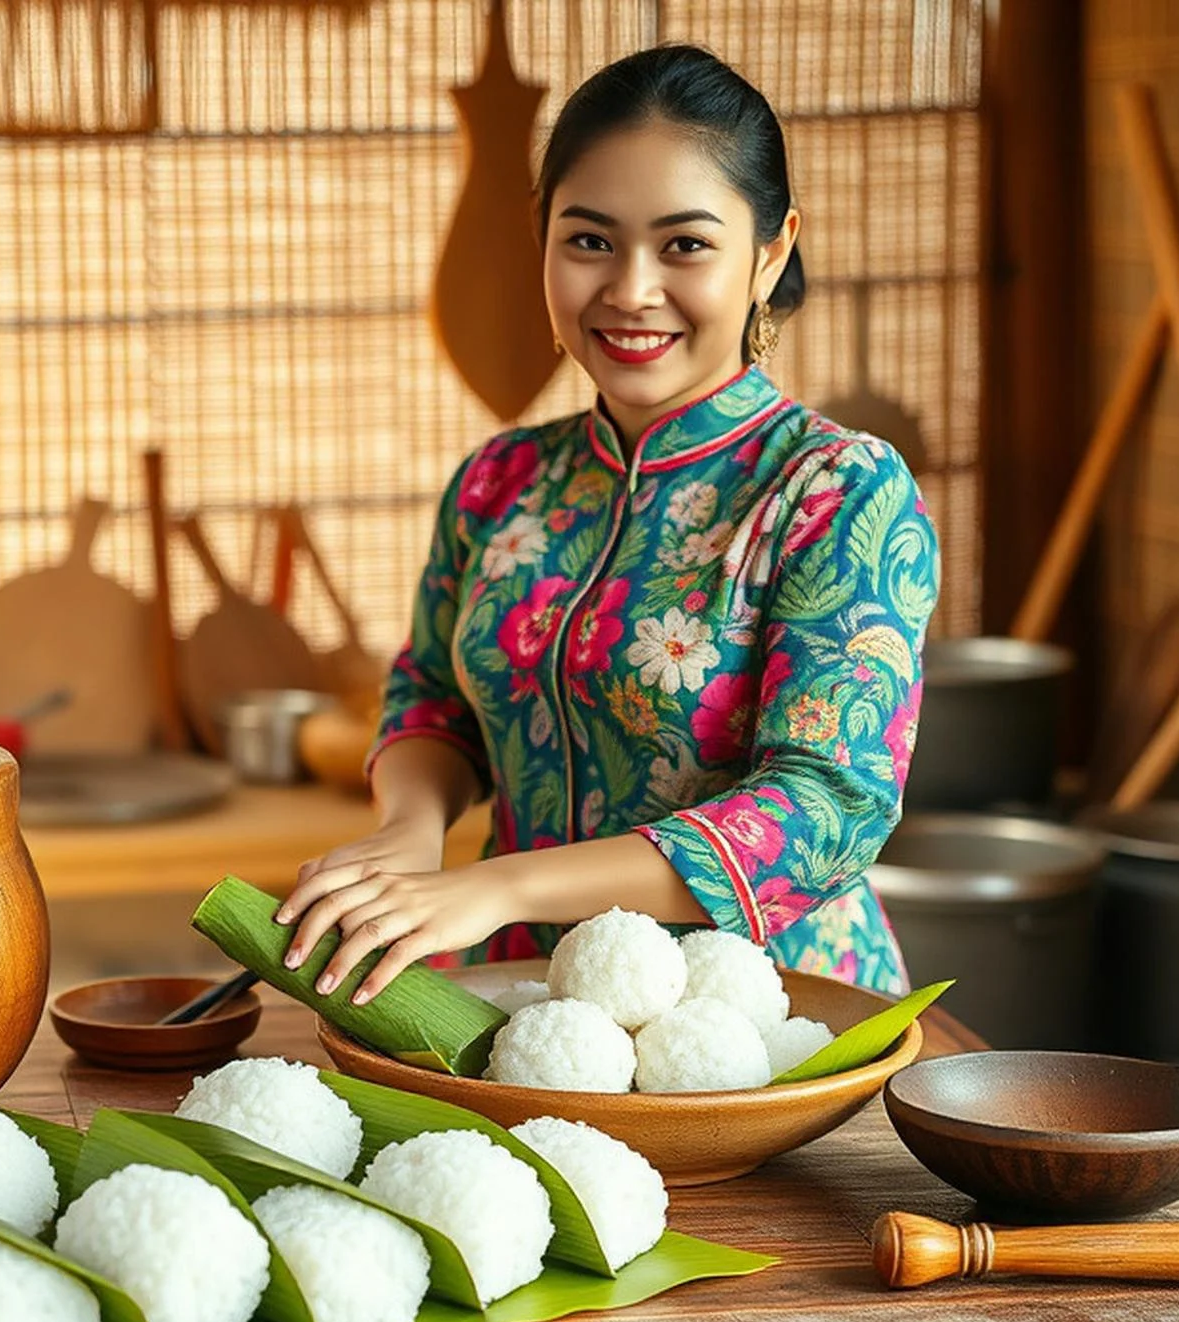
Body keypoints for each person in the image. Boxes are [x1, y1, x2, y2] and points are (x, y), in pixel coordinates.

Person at [278, 44, 940, 1006]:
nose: (631, 289)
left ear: (771, 252)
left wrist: (500, 886)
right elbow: (430, 701)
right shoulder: (499, 480)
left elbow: (823, 809)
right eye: (590, 240)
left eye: (685, 245)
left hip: (765, 1021)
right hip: (518, 1004)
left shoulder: (836, 490)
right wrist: (411, 831)